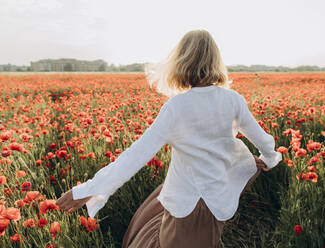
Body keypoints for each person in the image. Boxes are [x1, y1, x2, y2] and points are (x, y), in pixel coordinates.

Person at [56, 29, 282, 248]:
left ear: (182, 60)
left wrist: (87, 189)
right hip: (218, 201)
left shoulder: (177, 107)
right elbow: (263, 141)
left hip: (187, 207)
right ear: (215, 61)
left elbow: (136, 155)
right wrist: (268, 159)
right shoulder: (233, 100)